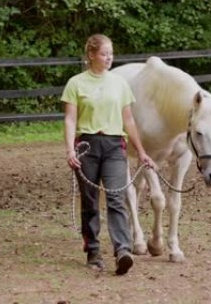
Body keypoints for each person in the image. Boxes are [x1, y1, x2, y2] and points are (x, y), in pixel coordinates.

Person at [61, 33, 157, 275]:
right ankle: (92, 249)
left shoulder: (119, 84)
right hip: (87, 146)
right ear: (91, 55)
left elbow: (128, 120)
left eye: (111, 54)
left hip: (115, 146)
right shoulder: (76, 83)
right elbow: (70, 119)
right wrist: (70, 149)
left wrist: (142, 152)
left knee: (117, 197)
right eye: (104, 54)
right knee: (90, 201)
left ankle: (122, 250)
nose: (108, 58)